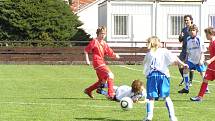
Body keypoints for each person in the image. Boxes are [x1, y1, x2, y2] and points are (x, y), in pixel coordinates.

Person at [142, 36, 188, 121]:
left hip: (152, 76)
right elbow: (174, 58)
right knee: (166, 97)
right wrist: (183, 64)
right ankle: (172, 117)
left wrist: (146, 75)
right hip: (163, 76)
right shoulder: (164, 51)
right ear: (158, 43)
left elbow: (145, 66)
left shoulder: (148, 54)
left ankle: (149, 116)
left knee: (151, 98)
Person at [84, 26, 120, 99]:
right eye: (101, 33)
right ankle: (111, 94)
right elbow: (86, 50)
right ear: (98, 34)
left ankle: (88, 90)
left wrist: (115, 55)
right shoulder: (94, 41)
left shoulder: (104, 43)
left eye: (104, 34)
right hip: (97, 62)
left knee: (101, 82)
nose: (103, 35)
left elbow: (110, 52)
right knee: (110, 75)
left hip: (101, 63)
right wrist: (87, 60)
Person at [178, 24, 207, 94]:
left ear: (196, 31)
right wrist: (186, 59)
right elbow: (188, 50)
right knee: (185, 70)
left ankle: (206, 88)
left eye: (193, 30)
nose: (192, 32)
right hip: (191, 60)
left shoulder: (199, 39)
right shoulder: (188, 39)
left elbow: (202, 50)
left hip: (198, 60)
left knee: (203, 74)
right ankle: (186, 88)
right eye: (190, 30)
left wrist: (201, 59)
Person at [190, 27, 215, 101]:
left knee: (205, 79)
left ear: (212, 34)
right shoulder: (211, 42)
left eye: (207, 34)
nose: (206, 36)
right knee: (205, 80)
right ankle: (199, 97)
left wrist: (210, 60)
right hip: (211, 66)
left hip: (213, 65)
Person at [178, 15, 194, 86]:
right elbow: (180, 40)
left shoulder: (193, 28)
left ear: (191, 20)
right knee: (179, 64)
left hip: (191, 50)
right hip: (184, 49)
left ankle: (190, 81)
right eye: (185, 20)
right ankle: (184, 78)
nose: (186, 21)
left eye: (187, 20)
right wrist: (180, 36)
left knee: (190, 65)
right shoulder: (183, 29)